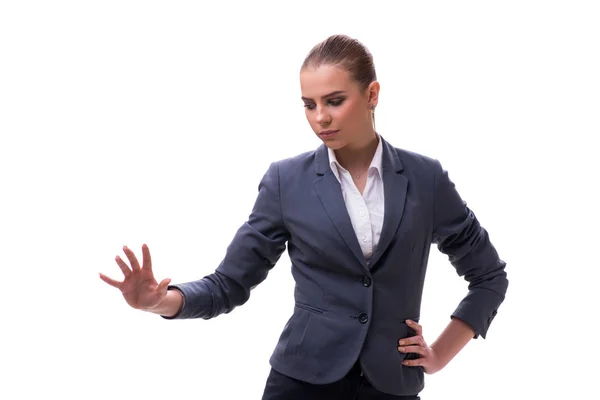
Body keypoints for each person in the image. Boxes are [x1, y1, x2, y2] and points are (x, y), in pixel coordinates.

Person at [99, 34, 508, 399]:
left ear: (372, 94)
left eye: (334, 101)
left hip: (392, 385)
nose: (320, 118)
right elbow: (230, 283)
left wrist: (439, 355)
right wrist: (160, 302)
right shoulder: (285, 181)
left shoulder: (425, 179)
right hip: (302, 382)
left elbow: (489, 276)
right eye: (308, 105)